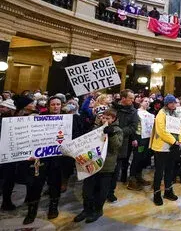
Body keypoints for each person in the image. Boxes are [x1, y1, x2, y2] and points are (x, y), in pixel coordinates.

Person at [73, 108, 123, 223]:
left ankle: (98, 210)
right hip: (92, 164)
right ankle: (86, 210)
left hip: (106, 166)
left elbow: (116, 147)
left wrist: (111, 135)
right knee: (87, 190)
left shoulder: (117, 130)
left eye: (108, 118)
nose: (104, 119)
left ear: (113, 119)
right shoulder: (96, 128)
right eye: (103, 117)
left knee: (101, 191)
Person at [23, 96, 65, 225]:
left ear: (61, 106)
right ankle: (32, 210)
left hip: (57, 159)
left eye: (58, 104)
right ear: (48, 106)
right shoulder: (38, 118)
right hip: (39, 158)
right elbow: (30, 137)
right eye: (53, 104)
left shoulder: (68, 119)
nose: (55, 106)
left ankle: (53, 207)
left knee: (55, 183)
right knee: (35, 184)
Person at [150, 94, 181, 205]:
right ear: (167, 103)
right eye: (171, 102)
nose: (173, 104)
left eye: (175, 102)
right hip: (162, 147)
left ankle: (168, 191)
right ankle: (157, 193)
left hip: (173, 147)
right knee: (159, 172)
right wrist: (174, 141)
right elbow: (161, 131)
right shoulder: (161, 114)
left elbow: (180, 129)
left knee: (170, 170)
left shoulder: (176, 114)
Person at [109, 89, 138, 202]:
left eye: (133, 98)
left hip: (122, 143)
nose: (132, 100)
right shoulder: (112, 108)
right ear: (123, 98)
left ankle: (111, 191)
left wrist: (118, 131)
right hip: (107, 141)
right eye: (130, 98)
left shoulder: (133, 111)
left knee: (116, 169)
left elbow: (133, 127)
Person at [127, 97, 153, 191]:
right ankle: (132, 180)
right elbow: (133, 126)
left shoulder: (150, 114)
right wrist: (134, 139)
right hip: (139, 138)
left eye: (149, 102)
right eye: (145, 101)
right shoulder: (136, 112)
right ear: (141, 102)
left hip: (147, 139)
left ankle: (139, 176)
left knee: (143, 158)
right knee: (137, 158)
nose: (147, 103)